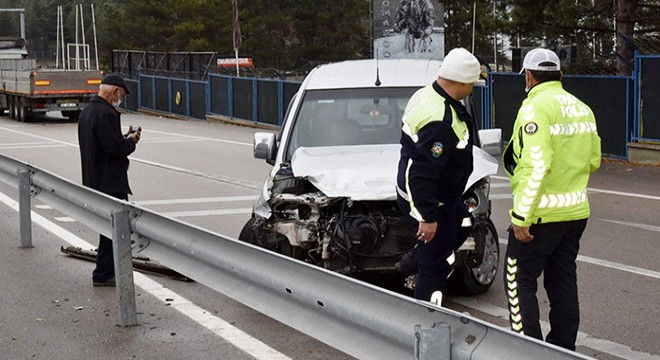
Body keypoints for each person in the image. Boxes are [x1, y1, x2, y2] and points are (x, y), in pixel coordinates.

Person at [502, 48, 601, 350]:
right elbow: (594, 160)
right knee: (562, 282)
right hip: (575, 213)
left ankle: (528, 350)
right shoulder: (582, 107)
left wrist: (521, 217)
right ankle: (562, 349)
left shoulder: (534, 109)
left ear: (529, 76)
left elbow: (536, 165)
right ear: (560, 75)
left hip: (540, 216)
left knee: (517, 280)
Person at [395, 47, 481, 302]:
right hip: (430, 201)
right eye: (473, 83)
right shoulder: (440, 121)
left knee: (465, 223)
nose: (473, 89)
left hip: (446, 197)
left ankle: (414, 259)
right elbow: (422, 174)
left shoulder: (426, 94)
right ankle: (428, 324)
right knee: (437, 267)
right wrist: (427, 217)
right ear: (462, 81)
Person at [78, 74, 141, 287]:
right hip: (110, 182)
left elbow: (103, 144)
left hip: (94, 178)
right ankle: (103, 274)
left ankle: (106, 271)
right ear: (114, 91)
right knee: (114, 230)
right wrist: (131, 142)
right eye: (120, 95)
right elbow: (115, 149)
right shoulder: (106, 114)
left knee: (108, 230)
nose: (120, 99)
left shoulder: (88, 112)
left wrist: (123, 138)